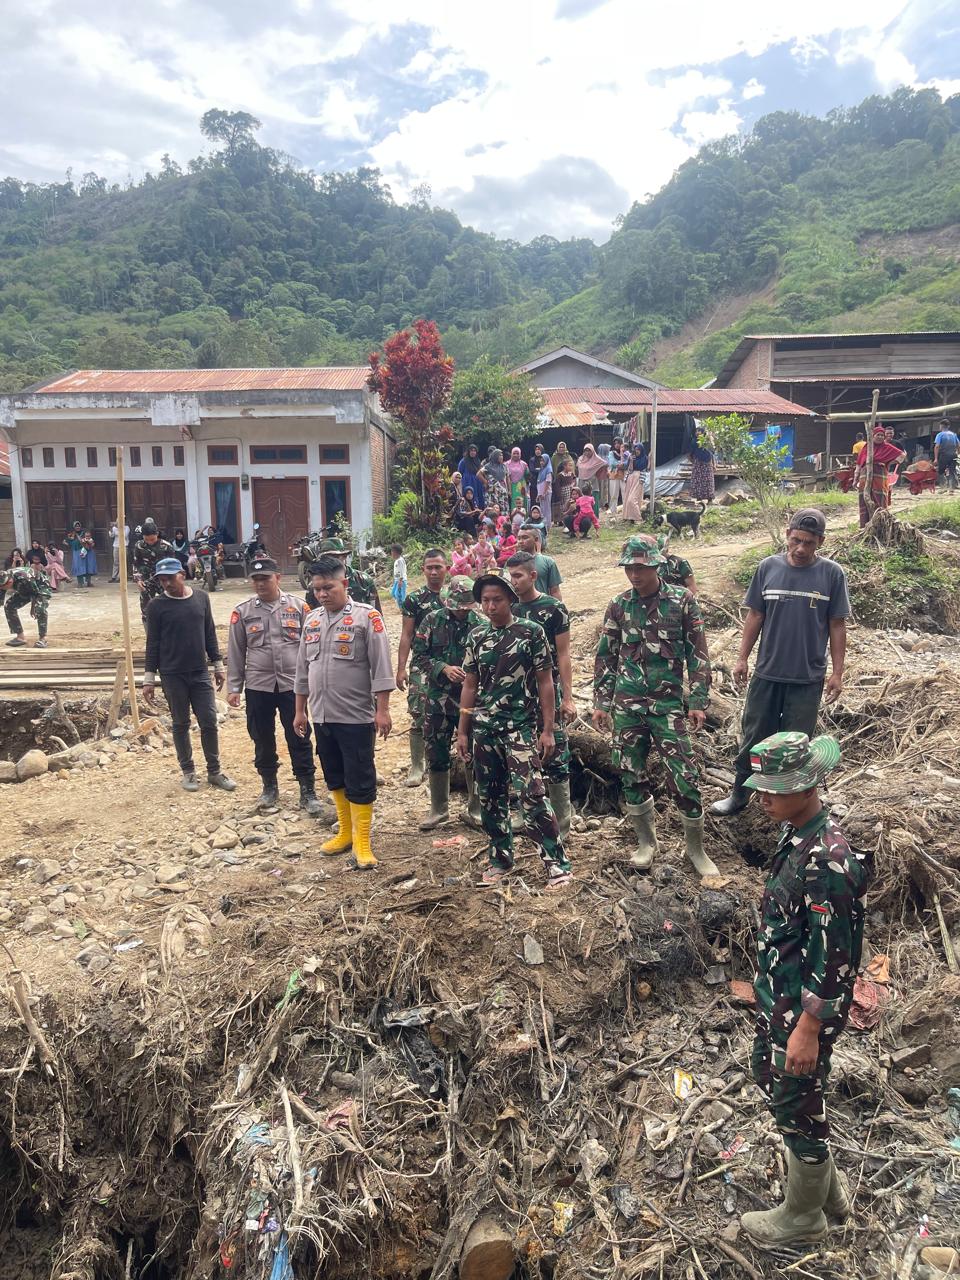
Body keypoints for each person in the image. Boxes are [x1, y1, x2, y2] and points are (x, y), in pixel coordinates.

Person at [739, 731, 869, 1248]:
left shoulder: (829, 861)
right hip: (783, 998)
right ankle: (828, 1196)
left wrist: (808, 1029)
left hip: (802, 1012)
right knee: (781, 1087)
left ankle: (803, 1218)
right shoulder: (796, 836)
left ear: (808, 784)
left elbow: (837, 959)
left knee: (795, 1102)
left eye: (774, 788)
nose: (763, 797)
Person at [592, 535, 717, 879]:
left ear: (657, 565)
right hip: (627, 706)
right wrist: (601, 702)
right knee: (630, 772)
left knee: (684, 776)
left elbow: (698, 653)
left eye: (642, 567)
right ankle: (646, 843)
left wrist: (699, 700)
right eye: (630, 567)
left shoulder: (682, 601)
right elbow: (606, 656)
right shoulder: (618, 605)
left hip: (668, 707)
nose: (635, 574)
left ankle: (696, 849)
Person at [710, 510, 850, 817]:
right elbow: (755, 615)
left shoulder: (832, 574)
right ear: (787, 534)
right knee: (754, 736)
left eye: (809, 543)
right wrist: (742, 657)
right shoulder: (767, 568)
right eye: (796, 540)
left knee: (796, 746)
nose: (800, 549)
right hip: (767, 673)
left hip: (807, 677)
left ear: (820, 543)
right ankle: (740, 794)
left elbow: (837, 625)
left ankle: (791, 809)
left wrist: (837, 673)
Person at [457, 573, 572, 889]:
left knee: (532, 795)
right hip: (485, 728)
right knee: (490, 798)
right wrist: (463, 731)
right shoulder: (476, 637)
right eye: (485, 601)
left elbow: (545, 682)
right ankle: (500, 860)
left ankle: (557, 864)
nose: (491, 606)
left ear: (510, 600)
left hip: (519, 728)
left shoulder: (531, 633)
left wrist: (547, 730)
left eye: (497, 600)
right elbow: (470, 685)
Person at [293, 554, 395, 869]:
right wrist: (300, 711)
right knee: (334, 774)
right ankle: (346, 832)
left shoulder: (368, 618)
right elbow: (301, 671)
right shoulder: (311, 620)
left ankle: (363, 843)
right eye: (317, 589)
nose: (323, 594)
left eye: (328, 587)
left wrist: (383, 710)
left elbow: (382, 667)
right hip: (322, 715)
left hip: (356, 715)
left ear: (345, 584)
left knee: (360, 776)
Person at [226, 556, 330, 817]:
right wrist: (234, 687)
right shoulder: (243, 611)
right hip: (259, 685)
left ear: (278, 578)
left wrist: (315, 681)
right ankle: (269, 787)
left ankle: (307, 790)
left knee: (299, 735)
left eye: (266, 578)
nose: (260, 584)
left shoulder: (299, 608)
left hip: (292, 686)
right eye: (256, 579)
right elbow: (236, 651)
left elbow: (312, 647)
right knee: (261, 737)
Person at [142, 558, 237, 793]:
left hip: (199, 672)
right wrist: (148, 678)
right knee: (180, 723)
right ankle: (188, 771)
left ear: (182, 574)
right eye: (162, 580)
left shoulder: (201, 598)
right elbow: (152, 643)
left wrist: (218, 665)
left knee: (209, 720)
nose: (166, 584)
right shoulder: (156, 606)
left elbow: (209, 633)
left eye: (170, 578)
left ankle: (214, 771)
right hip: (172, 674)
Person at [507, 551, 575, 836]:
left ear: (533, 576)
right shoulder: (508, 608)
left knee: (556, 752)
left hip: (549, 691)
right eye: (510, 576)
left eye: (518, 576)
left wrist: (568, 698)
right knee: (520, 753)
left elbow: (564, 655)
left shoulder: (553, 609)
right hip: (516, 695)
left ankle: (563, 820)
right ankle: (526, 814)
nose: (513, 582)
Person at [415, 575, 486, 831]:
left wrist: (473, 674)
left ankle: (476, 808)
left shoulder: (481, 624)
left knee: (475, 751)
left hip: (472, 700)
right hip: (438, 699)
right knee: (436, 750)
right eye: (455, 607)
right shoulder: (432, 621)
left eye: (464, 607)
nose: (460, 612)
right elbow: (419, 656)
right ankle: (438, 810)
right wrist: (442, 668)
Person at [396, 549, 449, 787]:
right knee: (418, 714)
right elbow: (406, 635)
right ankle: (417, 765)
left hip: (453, 664)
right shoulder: (415, 599)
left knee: (453, 713)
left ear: (447, 568)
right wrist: (401, 668)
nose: (434, 571)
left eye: (438, 566)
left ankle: (446, 761)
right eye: (430, 567)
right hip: (423, 664)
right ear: (423, 570)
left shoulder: (456, 595)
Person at [306, 537, 382, 611]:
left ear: (344, 556)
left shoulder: (363, 580)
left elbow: (376, 612)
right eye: (325, 558)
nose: (330, 562)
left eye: (334, 557)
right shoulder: (314, 586)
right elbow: (311, 616)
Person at [853, 426, 906, 527]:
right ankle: (865, 526)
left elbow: (902, 455)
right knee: (864, 500)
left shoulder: (887, 447)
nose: (880, 437)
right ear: (872, 436)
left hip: (879, 477)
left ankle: (881, 526)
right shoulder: (866, 448)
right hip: (865, 478)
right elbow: (859, 464)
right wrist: (855, 479)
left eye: (882, 435)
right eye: (878, 435)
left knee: (880, 499)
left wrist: (889, 462)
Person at [132, 518, 175, 624]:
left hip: (164, 581)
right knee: (146, 610)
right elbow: (136, 564)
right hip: (146, 581)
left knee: (169, 607)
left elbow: (173, 566)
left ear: (157, 534)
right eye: (147, 539)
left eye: (152, 539)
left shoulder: (166, 546)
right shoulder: (139, 546)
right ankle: (150, 635)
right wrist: (138, 580)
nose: (150, 542)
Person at [4, 565, 51, 648]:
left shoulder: (24, 577)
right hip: (23, 588)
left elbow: (35, 593)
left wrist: (33, 609)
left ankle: (43, 638)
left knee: (40, 609)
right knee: (9, 606)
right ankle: (20, 637)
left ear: (10, 581)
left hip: (41, 587)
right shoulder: (3, 579)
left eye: (5, 587)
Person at [516, 526, 562, 600]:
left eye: (525, 538)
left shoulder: (548, 562)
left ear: (536, 539)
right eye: (519, 538)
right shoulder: (512, 563)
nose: (521, 541)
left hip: (543, 608)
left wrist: (557, 609)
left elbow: (555, 591)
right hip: (519, 609)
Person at [688, 425, 716, 503]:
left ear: (703, 432)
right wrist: (694, 462)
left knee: (708, 481)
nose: (697, 433)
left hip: (707, 463)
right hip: (698, 463)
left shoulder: (707, 441)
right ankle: (698, 499)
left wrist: (714, 464)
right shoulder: (694, 441)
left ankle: (710, 499)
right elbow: (689, 454)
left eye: (699, 431)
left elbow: (711, 453)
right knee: (698, 481)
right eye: (696, 431)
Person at [479, 448, 509, 512]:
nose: (501, 457)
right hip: (492, 492)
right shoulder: (488, 466)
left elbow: (507, 478)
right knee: (492, 510)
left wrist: (509, 490)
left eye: (502, 455)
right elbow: (478, 474)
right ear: (495, 456)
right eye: (499, 455)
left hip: (502, 491)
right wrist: (486, 482)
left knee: (503, 509)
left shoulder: (504, 466)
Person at [457, 444, 486, 509]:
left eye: (474, 451)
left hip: (477, 483)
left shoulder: (477, 461)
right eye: (471, 450)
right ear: (468, 452)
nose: (473, 452)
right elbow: (459, 473)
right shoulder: (464, 461)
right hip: (468, 483)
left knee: (478, 499)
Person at [934, 417, 958, 491]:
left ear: (941, 426)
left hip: (944, 455)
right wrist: (957, 453)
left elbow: (937, 446)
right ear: (948, 426)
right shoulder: (954, 434)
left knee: (940, 471)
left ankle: (943, 487)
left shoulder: (940, 434)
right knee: (952, 471)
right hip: (953, 455)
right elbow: (958, 445)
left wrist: (935, 458)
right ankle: (951, 489)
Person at [64, 524, 92, 588]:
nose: (77, 527)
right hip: (76, 552)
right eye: (76, 526)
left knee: (87, 566)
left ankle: (89, 582)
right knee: (78, 567)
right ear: (74, 527)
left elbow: (89, 539)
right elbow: (65, 541)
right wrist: (71, 543)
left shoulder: (84, 533)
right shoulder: (72, 534)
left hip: (85, 551)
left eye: (78, 526)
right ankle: (80, 583)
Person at [553, 456, 576, 527]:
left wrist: (574, 487)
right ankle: (562, 520)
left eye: (572, 465)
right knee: (563, 506)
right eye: (569, 465)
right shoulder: (560, 475)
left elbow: (574, 480)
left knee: (570, 505)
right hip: (563, 493)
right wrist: (559, 495)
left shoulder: (571, 474)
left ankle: (571, 520)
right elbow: (557, 486)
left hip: (570, 492)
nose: (571, 467)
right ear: (564, 466)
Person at [505, 447, 530, 513]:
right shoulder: (506, 464)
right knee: (514, 502)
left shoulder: (524, 464)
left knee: (523, 502)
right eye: (514, 453)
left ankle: (524, 519)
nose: (515, 455)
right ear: (511, 454)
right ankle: (514, 519)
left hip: (522, 487)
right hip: (511, 486)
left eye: (517, 453)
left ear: (520, 454)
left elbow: (527, 475)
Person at [607, 439, 627, 512]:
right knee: (613, 494)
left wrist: (621, 464)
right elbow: (612, 463)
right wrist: (621, 464)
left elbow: (626, 463)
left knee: (624, 493)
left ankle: (626, 511)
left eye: (619, 443)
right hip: (614, 475)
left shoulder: (626, 453)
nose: (617, 445)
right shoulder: (611, 453)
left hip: (623, 475)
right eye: (615, 443)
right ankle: (613, 511)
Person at [533, 445, 553, 516]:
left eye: (543, 460)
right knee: (542, 509)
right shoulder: (542, 470)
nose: (541, 462)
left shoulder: (548, 469)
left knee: (546, 509)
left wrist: (544, 493)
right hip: (541, 493)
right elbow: (539, 482)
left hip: (546, 493)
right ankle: (543, 525)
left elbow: (548, 482)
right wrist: (539, 494)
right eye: (540, 460)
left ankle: (547, 525)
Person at [390, 544, 408, 609]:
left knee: (400, 595)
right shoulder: (397, 561)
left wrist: (400, 581)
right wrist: (395, 580)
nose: (391, 553)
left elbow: (402, 571)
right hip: (397, 580)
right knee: (393, 593)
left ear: (395, 552)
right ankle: (401, 605)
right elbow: (397, 572)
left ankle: (403, 608)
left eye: (392, 551)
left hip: (401, 580)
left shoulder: (400, 560)